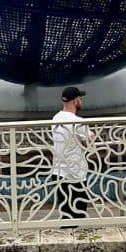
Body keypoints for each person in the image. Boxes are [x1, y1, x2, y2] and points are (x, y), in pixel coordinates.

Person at [52, 86, 94, 222]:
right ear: (75, 101)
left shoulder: (55, 119)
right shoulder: (78, 122)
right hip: (75, 174)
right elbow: (89, 143)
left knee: (66, 213)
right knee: (79, 214)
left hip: (59, 172)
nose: (81, 101)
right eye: (80, 99)